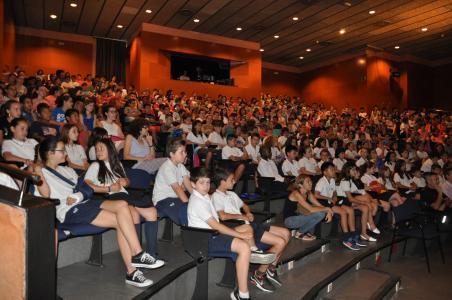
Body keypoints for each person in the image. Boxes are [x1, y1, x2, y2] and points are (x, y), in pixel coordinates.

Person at [35, 136, 157, 287]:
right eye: (62, 150)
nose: (66, 153)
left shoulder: (68, 170)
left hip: (85, 204)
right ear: (50, 153)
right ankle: (134, 266)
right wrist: (36, 168)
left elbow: (85, 188)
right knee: (121, 220)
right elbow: (45, 194)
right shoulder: (40, 172)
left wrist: (80, 195)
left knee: (122, 205)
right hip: (67, 211)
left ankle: (136, 258)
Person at [84, 138, 165, 261]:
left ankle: (152, 254)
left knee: (152, 212)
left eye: (101, 148)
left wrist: (125, 181)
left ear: (110, 150)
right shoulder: (95, 165)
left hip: (124, 195)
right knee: (134, 215)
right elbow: (87, 183)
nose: (98, 151)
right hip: (110, 196)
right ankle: (136, 257)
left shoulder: (117, 164)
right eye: (96, 149)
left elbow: (127, 182)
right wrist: (109, 187)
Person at [187, 167, 262, 300]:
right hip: (205, 240)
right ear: (193, 184)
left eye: (208, 182)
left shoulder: (204, 196)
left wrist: (240, 233)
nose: (206, 186)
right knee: (243, 246)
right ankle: (243, 294)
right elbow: (216, 225)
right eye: (201, 183)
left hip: (213, 234)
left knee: (246, 229)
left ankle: (253, 253)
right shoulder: (197, 202)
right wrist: (239, 235)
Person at [212, 167, 289, 292]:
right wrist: (241, 216)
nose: (234, 182)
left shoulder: (231, 194)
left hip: (250, 225)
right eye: (232, 180)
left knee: (286, 233)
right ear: (222, 182)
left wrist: (248, 212)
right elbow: (222, 216)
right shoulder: (216, 196)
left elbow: (245, 205)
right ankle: (259, 275)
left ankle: (271, 268)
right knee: (280, 242)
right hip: (241, 228)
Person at [314, 162, 361, 250]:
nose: (334, 171)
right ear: (325, 172)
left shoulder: (332, 180)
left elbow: (334, 191)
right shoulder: (321, 181)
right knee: (343, 213)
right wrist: (328, 197)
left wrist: (334, 196)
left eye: (334, 169)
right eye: (331, 170)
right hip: (322, 204)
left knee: (350, 210)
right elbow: (316, 195)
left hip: (330, 203)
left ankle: (353, 233)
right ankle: (346, 238)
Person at [152, 138, 192, 225]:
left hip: (175, 198)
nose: (185, 154)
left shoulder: (180, 166)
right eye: (181, 152)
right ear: (172, 154)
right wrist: (188, 204)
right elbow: (177, 189)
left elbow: (188, 183)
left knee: (195, 205)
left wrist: (197, 197)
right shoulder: (167, 167)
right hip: (163, 200)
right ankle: (191, 233)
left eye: (185, 152)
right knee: (185, 212)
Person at [337, 163, 379, 242]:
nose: (355, 171)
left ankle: (364, 233)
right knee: (366, 204)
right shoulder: (345, 181)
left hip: (348, 201)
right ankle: (370, 224)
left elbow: (358, 190)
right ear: (347, 170)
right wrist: (364, 202)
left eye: (355, 170)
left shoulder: (350, 180)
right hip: (342, 202)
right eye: (353, 170)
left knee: (366, 208)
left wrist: (367, 200)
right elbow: (350, 199)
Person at [284, 175, 333, 240]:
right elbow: (311, 209)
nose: (311, 183)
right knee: (320, 214)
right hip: (290, 221)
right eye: (308, 182)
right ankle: (299, 233)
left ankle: (301, 231)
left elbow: (320, 205)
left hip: (301, 217)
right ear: (300, 185)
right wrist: (327, 209)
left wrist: (328, 211)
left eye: (311, 181)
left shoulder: (308, 193)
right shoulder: (296, 193)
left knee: (320, 213)